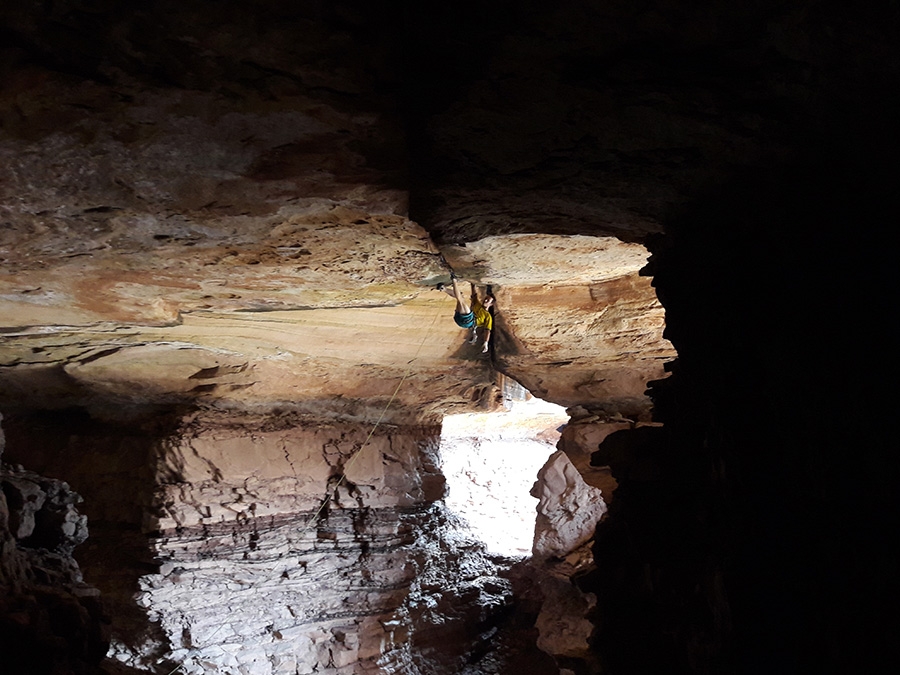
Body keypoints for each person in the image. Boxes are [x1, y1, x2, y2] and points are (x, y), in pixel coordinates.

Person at [437, 277, 494, 353]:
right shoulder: (477, 304)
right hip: (461, 319)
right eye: (486, 298)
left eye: (488, 300)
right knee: (460, 296)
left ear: (491, 304)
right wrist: (472, 281)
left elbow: (487, 330)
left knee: (461, 300)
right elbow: (474, 292)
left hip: (468, 321)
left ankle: (454, 279)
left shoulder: (488, 316)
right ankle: (443, 289)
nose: (485, 300)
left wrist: (485, 342)